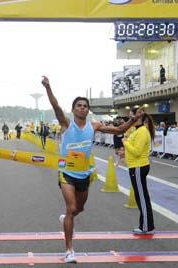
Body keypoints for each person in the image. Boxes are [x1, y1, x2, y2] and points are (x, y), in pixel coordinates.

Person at [41, 76, 137, 263]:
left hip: (85, 173)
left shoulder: (94, 126)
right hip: (66, 172)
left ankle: (68, 219)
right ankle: (69, 250)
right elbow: (56, 106)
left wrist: (133, 120)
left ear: (88, 110)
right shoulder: (66, 124)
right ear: (73, 109)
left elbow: (118, 131)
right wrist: (48, 87)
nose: (82, 108)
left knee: (80, 208)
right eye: (79, 105)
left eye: (85, 106)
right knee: (71, 208)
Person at [120, 112, 155, 235]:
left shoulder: (142, 132)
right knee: (141, 196)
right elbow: (134, 149)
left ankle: (146, 226)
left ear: (139, 118)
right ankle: (146, 225)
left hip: (139, 166)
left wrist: (125, 143)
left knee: (142, 198)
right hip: (136, 166)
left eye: (132, 116)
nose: (131, 119)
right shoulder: (137, 130)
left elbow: (137, 151)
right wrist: (124, 152)